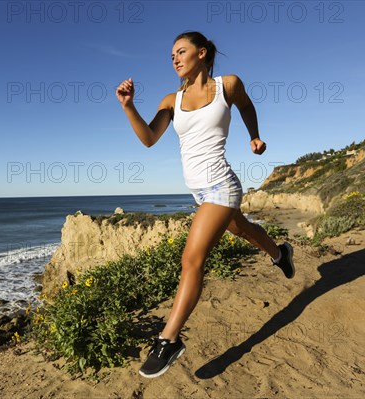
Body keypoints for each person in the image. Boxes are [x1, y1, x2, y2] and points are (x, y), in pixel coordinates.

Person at [116, 31, 295, 378]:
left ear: (202, 53)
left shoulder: (227, 85)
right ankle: (280, 254)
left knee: (191, 259)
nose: (175, 59)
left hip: (221, 186)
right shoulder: (171, 100)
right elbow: (150, 139)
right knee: (241, 228)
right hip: (199, 193)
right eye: (171, 56)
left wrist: (254, 136)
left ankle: (169, 340)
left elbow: (246, 105)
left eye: (180, 52)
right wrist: (129, 107)